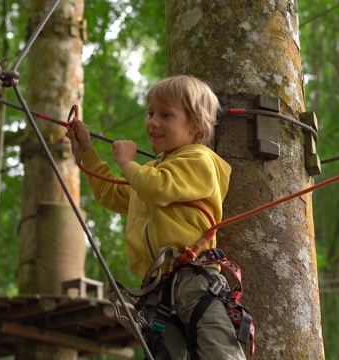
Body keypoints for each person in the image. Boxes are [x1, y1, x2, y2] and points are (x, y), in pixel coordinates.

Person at [66, 75, 247, 360]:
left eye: (166, 115)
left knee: (219, 352)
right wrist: (87, 151)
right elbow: (110, 194)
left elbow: (159, 187)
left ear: (196, 124)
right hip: (156, 289)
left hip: (194, 281)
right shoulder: (150, 172)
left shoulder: (199, 160)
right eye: (151, 113)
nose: (153, 122)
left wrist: (127, 162)